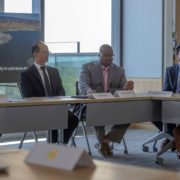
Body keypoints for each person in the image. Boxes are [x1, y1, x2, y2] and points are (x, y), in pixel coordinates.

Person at [78, 44, 134, 157]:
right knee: (98, 111)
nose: (109, 58)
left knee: (130, 114)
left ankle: (105, 141)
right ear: (99, 55)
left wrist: (127, 86)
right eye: (105, 55)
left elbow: (124, 86)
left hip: (113, 105)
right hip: (93, 106)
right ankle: (103, 143)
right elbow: (82, 84)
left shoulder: (119, 70)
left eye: (111, 56)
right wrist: (89, 90)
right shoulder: (87, 67)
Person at [20, 41, 79, 144]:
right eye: (44, 52)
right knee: (54, 118)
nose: (47, 55)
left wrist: (57, 102)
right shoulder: (26, 74)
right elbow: (29, 96)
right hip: (39, 109)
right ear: (35, 54)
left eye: (48, 52)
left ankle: (61, 144)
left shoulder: (54, 71)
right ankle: (53, 146)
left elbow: (61, 91)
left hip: (56, 107)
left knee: (73, 119)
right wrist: (47, 103)